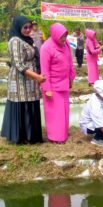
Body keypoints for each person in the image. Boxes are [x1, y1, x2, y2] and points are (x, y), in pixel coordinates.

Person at [1, 16, 46, 144]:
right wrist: (37, 77)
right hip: (20, 80)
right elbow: (19, 64)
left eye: (30, 27)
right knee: (23, 105)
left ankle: (32, 136)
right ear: (18, 27)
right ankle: (22, 137)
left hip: (30, 79)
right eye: (25, 27)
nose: (28, 30)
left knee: (30, 105)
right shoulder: (15, 41)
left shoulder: (26, 39)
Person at [40, 23, 76, 144]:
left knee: (64, 111)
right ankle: (55, 137)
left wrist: (71, 77)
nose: (64, 39)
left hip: (64, 83)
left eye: (65, 36)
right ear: (55, 35)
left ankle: (63, 132)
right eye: (62, 36)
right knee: (55, 113)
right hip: (53, 86)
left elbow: (70, 61)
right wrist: (47, 89)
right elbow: (44, 70)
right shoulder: (46, 48)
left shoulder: (65, 44)